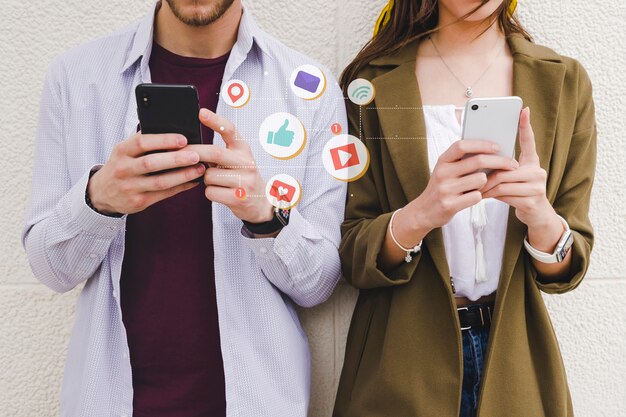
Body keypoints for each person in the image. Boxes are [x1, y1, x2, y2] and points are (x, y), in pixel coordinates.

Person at [22, 1, 347, 416]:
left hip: (256, 402)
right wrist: (97, 199)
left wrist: (266, 215)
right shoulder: (76, 78)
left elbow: (318, 284)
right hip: (110, 400)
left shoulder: (309, 89)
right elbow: (52, 270)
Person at [334, 0, 595, 416]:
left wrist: (541, 217)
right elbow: (351, 255)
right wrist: (420, 214)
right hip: (400, 367)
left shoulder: (563, 82)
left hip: (518, 367)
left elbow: (567, 270)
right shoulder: (370, 84)